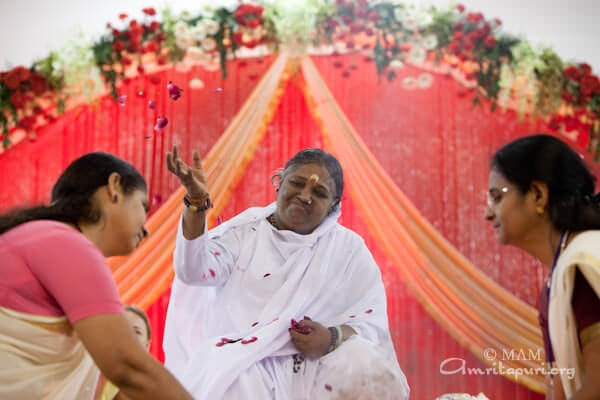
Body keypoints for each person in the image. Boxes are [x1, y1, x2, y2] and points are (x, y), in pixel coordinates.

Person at [163, 146, 409, 399]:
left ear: (333, 204)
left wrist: (331, 337)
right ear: (278, 182)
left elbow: (371, 325)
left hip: (321, 363)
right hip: (247, 361)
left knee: (362, 362)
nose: (305, 196)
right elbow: (192, 270)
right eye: (297, 183)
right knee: (235, 375)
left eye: (319, 192)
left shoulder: (348, 250)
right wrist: (195, 203)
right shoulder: (244, 234)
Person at [0, 152, 194, 400]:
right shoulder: (65, 243)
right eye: (143, 206)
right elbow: (129, 367)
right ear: (114, 187)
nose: (145, 229)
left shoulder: (42, 236)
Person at [485, 134, 600, 400]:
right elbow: (559, 390)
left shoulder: (585, 264)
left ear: (537, 195)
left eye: (497, 197)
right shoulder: (556, 285)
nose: (488, 214)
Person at [98, 305, 153, 400]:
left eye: (137, 331)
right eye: (123, 328)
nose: (129, 336)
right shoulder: (95, 380)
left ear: (147, 345)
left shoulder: (156, 387)